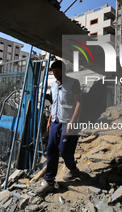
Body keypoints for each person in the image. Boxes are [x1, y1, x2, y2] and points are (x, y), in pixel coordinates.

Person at [35, 60, 82, 195]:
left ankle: (73, 169)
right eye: (54, 72)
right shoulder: (53, 86)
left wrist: (73, 121)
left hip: (69, 122)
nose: (56, 74)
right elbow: (54, 104)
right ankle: (49, 181)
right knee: (51, 151)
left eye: (58, 71)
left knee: (64, 150)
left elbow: (79, 103)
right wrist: (49, 120)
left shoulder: (73, 83)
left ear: (64, 69)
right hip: (55, 122)